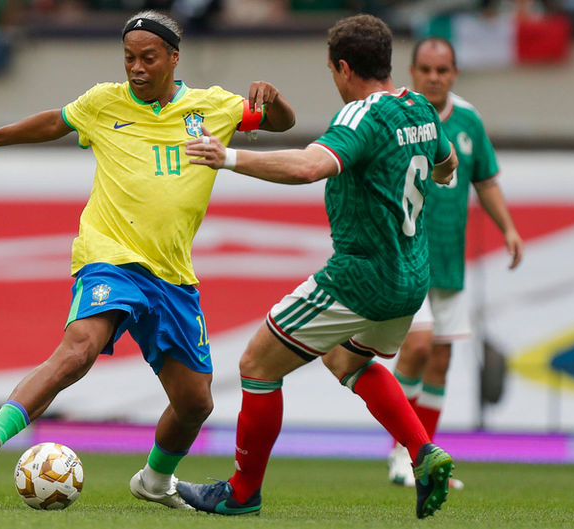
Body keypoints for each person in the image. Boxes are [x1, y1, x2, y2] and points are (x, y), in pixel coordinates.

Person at [0, 10, 296, 510]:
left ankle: (154, 480)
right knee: (79, 349)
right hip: (110, 256)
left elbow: (282, 123)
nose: (136, 68)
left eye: (148, 58)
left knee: (195, 403)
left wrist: (273, 99)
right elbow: (54, 122)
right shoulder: (103, 102)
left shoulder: (212, 106)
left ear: (174, 57)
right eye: (129, 57)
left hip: (172, 274)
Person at [176, 14, 458, 519]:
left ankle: (242, 493)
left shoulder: (360, 116)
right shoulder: (419, 107)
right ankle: (423, 451)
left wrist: (228, 158)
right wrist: (433, 174)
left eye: (332, 71)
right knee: (345, 360)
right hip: (412, 277)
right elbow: (447, 162)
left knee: (257, 365)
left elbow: (310, 166)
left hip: (361, 277)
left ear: (344, 67)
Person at [386, 37, 524, 489]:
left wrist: (508, 228)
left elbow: (486, 180)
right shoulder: (397, 115)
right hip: (406, 255)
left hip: (448, 258)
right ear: (412, 72)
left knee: (441, 360)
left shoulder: (467, 120)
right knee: (418, 347)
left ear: (454, 74)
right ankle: (401, 452)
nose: (433, 77)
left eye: (442, 70)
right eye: (425, 69)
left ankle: (426, 461)